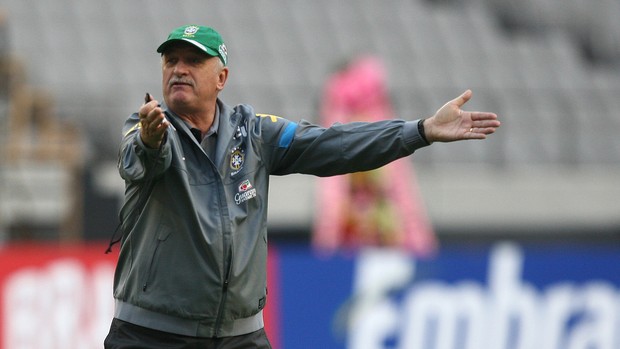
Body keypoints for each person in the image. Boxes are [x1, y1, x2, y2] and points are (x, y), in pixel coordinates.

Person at [104, 24, 500, 349]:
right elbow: (136, 160)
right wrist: (150, 141)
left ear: (221, 77)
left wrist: (420, 131)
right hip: (152, 336)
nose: (178, 69)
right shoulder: (147, 128)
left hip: (239, 337)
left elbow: (335, 144)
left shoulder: (254, 133)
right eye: (171, 60)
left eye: (193, 60)